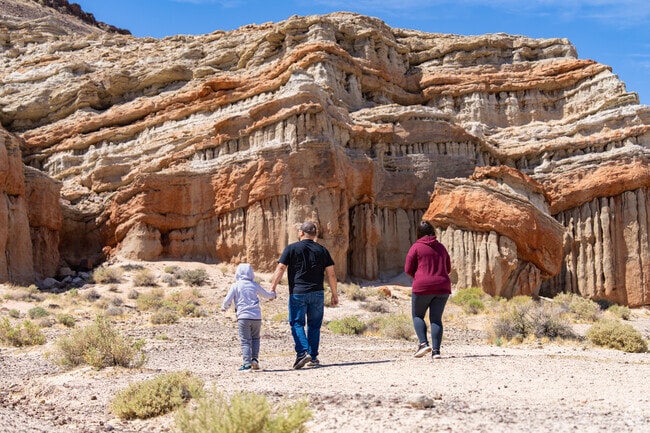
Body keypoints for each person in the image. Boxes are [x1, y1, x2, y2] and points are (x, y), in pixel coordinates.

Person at [270, 221, 339, 369]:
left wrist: (273, 287)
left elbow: (281, 267)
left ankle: (303, 352)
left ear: (301, 233)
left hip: (298, 293)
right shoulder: (322, 250)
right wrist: (334, 294)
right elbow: (331, 274)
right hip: (317, 293)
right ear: (315, 235)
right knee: (314, 325)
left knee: (297, 323)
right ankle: (313, 357)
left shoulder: (291, 248)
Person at [404, 220, 452, 360]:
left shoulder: (416, 247)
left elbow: (407, 269)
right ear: (433, 232)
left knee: (418, 315)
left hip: (422, 287)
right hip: (443, 287)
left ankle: (424, 344)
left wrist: (419, 277)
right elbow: (447, 268)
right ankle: (436, 351)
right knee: (436, 319)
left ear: (418, 232)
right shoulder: (441, 247)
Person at [221, 263, 276, 371]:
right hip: (256, 317)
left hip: (243, 317)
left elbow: (228, 299)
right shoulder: (254, 285)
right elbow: (266, 295)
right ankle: (254, 359)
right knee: (255, 338)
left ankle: (246, 363)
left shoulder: (236, 285)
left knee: (246, 340)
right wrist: (273, 294)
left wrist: (224, 307)